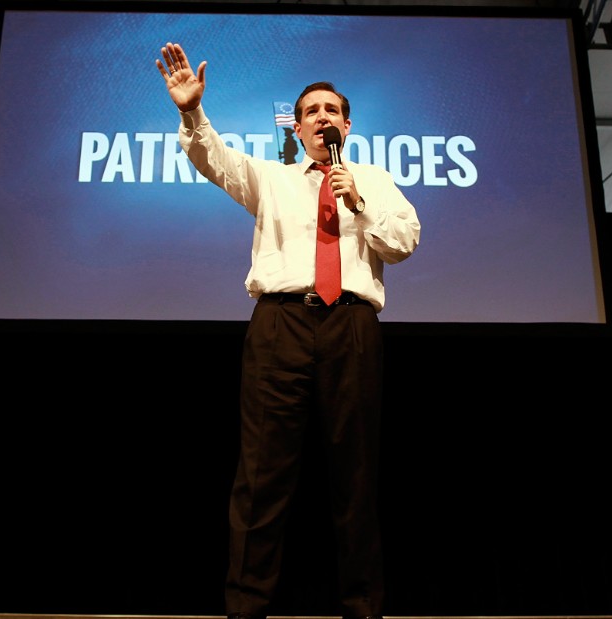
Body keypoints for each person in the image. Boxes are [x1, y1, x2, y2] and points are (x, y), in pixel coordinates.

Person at [156, 42, 421, 619]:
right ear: (297, 128)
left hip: (351, 323)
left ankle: (363, 607)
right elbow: (215, 160)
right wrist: (190, 112)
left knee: (355, 471)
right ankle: (246, 608)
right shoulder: (271, 180)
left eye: (332, 111)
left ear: (347, 124)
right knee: (262, 471)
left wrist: (363, 205)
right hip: (281, 324)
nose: (322, 118)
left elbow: (404, 243)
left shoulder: (372, 178)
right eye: (312, 112)